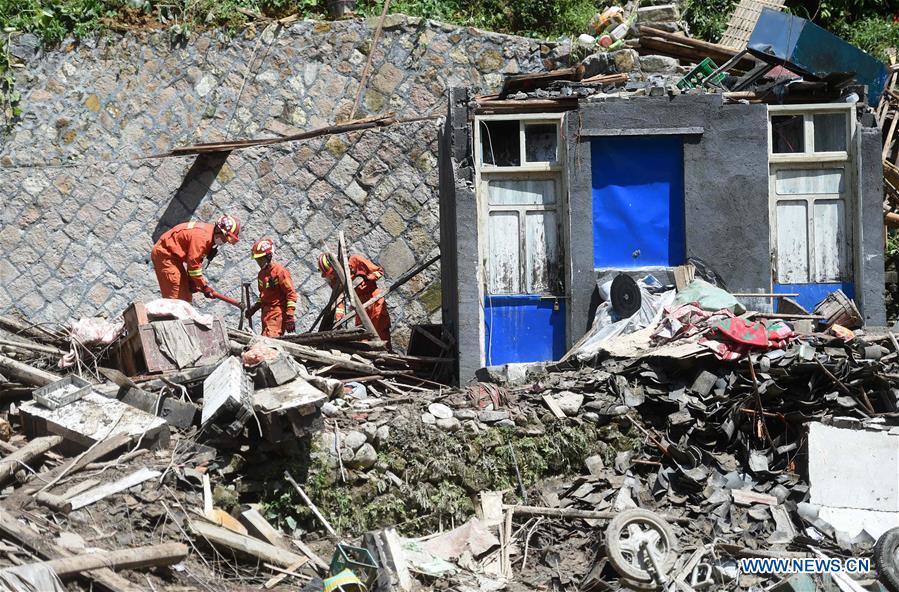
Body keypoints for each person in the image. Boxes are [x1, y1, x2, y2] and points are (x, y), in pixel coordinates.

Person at [151, 215, 240, 303]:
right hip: (165, 255)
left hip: (174, 257)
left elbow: (196, 261)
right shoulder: (202, 238)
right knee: (177, 296)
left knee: (186, 296)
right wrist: (204, 287)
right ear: (218, 230)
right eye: (224, 238)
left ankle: (182, 316)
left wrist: (192, 281)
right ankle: (174, 316)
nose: (224, 242)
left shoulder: (210, 237)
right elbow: (193, 265)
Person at [318, 252, 391, 349]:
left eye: (331, 273)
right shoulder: (335, 280)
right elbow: (339, 300)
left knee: (381, 332)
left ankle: (386, 357)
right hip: (359, 305)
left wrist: (367, 278)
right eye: (328, 275)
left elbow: (379, 271)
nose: (331, 276)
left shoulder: (355, 261)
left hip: (374, 299)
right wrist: (339, 319)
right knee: (363, 336)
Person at [246, 238, 298, 337]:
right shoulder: (261, 274)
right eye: (257, 260)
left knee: (269, 342)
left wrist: (290, 316)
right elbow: (263, 296)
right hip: (265, 314)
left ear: (268, 256)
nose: (259, 262)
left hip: (276, 314)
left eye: (260, 259)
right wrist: (254, 308)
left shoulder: (280, 272)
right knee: (265, 340)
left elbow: (291, 294)